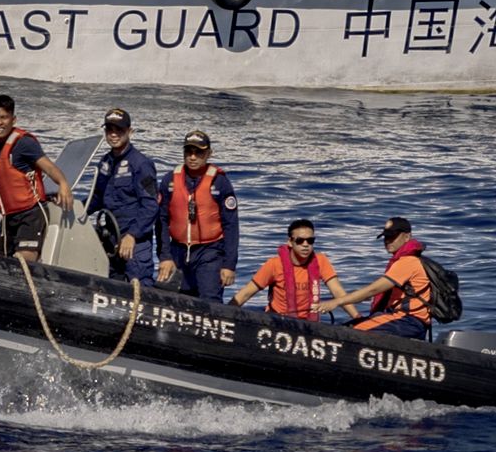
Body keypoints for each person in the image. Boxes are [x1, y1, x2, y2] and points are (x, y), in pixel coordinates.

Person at [0, 94, 73, 263]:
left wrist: (63, 183)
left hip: (31, 214)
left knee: (24, 262)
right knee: (1, 262)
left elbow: (49, 167)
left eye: (4, 118)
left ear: (13, 119)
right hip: (8, 218)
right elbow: (0, 187)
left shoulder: (24, 144)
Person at [314, 217, 431, 339]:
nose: (387, 241)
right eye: (386, 237)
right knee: (345, 327)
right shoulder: (404, 260)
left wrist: (336, 302)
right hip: (403, 320)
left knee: (349, 333)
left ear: (407, 237)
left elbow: (372, 290)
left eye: (392, 237)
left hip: (408, 322)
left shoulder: (407, 262)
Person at [156, 130, 239, 303]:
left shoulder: (220, 182)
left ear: (209, 153)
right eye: (189, 152)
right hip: (177, 251)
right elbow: (161, 221)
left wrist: (229, 264)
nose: (193, 157)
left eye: (198, 152)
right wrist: (165, 257)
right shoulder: (169, 180)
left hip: (210, 251)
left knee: (210, 299)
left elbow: (231, 226)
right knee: (171, 299)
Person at [229, 219, 360, 320]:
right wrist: (224, 314)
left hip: (309, 324)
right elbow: (245, 293)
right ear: (290, 242)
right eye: (300, 241)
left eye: (310, 240)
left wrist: (357, 318)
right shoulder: (274, 264)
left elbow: (338, 292)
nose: (305, 245)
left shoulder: (321, 261)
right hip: (278, 321)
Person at [85, 108, 158, 288]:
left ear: (129, 131)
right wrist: (75, 210)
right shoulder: (105, 162)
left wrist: (132, 235)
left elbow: (150, 206)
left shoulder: (141, 164)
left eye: (119, 130)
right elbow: (97, 197)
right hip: (110, 240)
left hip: (134, 243)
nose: (114, 134)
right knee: (110, 287)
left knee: (139, 288)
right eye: (110, 130)